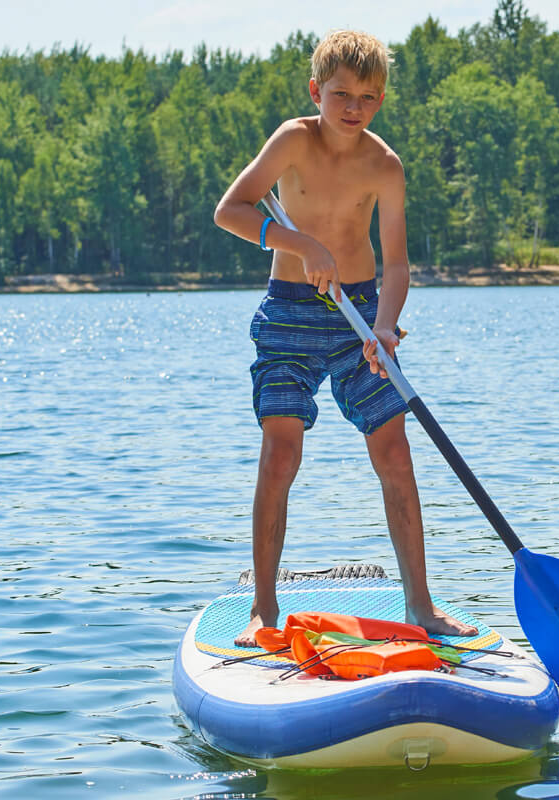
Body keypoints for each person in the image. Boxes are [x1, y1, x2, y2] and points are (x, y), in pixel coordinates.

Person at [213, 29, 476, 647]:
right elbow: (232, 210)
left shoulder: (385, 165)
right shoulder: (292, 140)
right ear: (316, 90)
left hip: (358, 315)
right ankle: (263, 610)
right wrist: (300, 243)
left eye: (368, 96)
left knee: (395, 453)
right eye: (341, 94)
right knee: (282, 455)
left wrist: (384, 324)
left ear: (380, 99)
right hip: (289, 315)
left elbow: (399, 263)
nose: (354, 107)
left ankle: (421, 607)